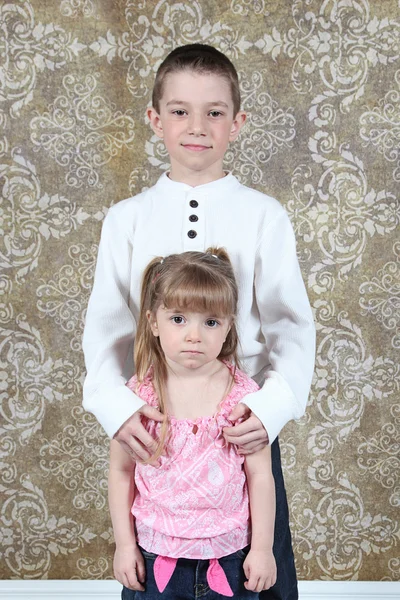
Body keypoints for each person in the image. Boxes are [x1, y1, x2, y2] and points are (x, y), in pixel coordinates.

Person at [83, 43, 316, 600]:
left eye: (214, 112)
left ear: (237, 123)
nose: (197, 126)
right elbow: (105, 330)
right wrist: (119, 410)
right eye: (180, 111)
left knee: (259, 571)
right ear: (154, 119)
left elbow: (291, 326)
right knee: (154, 574)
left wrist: (270, 408)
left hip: (241, 428)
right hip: (154, 429)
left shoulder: (265, 215)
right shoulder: (127, 219)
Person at [109, 248, 277, 598]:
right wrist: (124, 546)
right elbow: (121, 472)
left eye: (211, 322)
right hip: (155, 556)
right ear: (154, 321)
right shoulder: (137, 397)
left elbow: (260, 475)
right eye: (179, 319)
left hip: (229, 558)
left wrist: (261, 550)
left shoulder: (244, 395)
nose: (194, 335)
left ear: (229, 324)